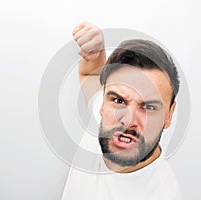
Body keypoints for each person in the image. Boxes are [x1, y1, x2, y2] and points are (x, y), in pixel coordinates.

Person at [61, 22, 181, 200]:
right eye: (119, 100)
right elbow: (91, 75)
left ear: (169, 115)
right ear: (103, 102)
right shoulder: (102, 112)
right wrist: (96, 50)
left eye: (148, 107)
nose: (128, 120)